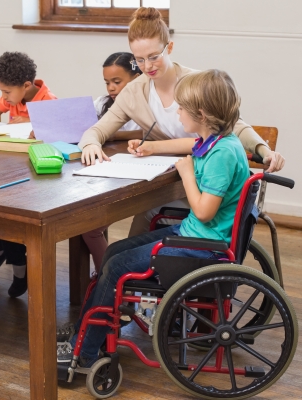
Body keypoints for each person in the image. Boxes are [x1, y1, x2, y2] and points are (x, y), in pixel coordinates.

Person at [58, 69, 251, 369]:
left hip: (204, 246)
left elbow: (203, 211)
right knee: (113, 252)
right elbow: (188, 146)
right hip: (198, 236)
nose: (177, 111)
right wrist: (153, 147)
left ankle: (85, 351)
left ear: (200, 114)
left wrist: (186, 173)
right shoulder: (216, 141)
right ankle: (88, 332)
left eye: (182, 108)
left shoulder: (222, 155)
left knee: (118, 267)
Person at [77, 7, 286, 237]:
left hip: (205, 188)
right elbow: (97, 130)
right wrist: (91, 144)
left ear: (170, 48)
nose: (147, 67)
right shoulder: (134, 92)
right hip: (170, 183)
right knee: (134, 223)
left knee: (142, 223)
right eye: (139, 60)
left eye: (154, 56)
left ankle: (136, 267)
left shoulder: (197, 85)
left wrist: (263, 149)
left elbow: (235, 125)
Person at [0, 51, 58, 297]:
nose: (4, 98)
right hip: (9, 165)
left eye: (6, 92)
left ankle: (20, 272)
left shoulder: (48, 101)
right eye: (1, 92)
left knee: (11, 218)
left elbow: (54, 138)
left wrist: (26, 127)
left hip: (36, 176)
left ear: (26, 85)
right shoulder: (11, 98)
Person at [82, 52, 144, 274]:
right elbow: (91, 131)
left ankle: (110, 274)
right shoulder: (103, 104)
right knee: (88, 226)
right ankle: (105, 274)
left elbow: (148, 133)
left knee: (92, 228)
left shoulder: (145, 106)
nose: (111, 88)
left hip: (137, 177)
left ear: (138, 78)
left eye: (117, 82)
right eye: (107, 83)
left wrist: (112, 135)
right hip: (107, 172)